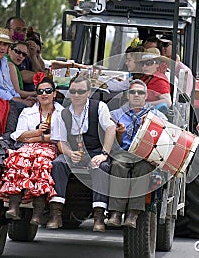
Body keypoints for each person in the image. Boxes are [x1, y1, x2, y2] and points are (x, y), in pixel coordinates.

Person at [0, 72, 63, 224]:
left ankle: (37, 213)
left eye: (48, 91)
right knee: (18, 159)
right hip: (27, 146)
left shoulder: (62, 113)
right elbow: (18, 135)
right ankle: (13, 206)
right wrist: (37, 133)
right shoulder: (27, 111)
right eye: (40, 91)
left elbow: (58, 137)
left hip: (49, 148)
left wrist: (36, 137)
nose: (44, 94)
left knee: (41, 163)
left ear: (54, 93)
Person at [48, 73, 116, 232]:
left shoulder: (99, 107)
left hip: (95, 151)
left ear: (88, 92)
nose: (76, 95)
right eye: (73, 91)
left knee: (101, 167)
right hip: (74, 152)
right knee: (58, 163)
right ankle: (55, 214)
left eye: (80, 91)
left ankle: (99, 217)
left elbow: (111, 129)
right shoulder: (63, 113)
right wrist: (70, 154)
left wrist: (103, 154)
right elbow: (61, 142)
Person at [107, 79, 167, 228]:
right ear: (127, 95)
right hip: (123, 152)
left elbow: (166, 135)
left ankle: (133, 214)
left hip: (144, 155)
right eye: (132, 92)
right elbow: (108, 139)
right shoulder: (115, 115)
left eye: (140, 93)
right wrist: (118, 134)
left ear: (146, 96)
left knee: (143, 169)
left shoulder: (156, 116)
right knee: (117, 165)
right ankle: (115, 212)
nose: (136, 95)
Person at [140, 48, 172, 113]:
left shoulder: (160, 80)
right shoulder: (146, 78)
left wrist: (146, 105)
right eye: (142, 63)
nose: (144, 66)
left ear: (157, 64)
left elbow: (167, 101)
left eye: (149, 63)